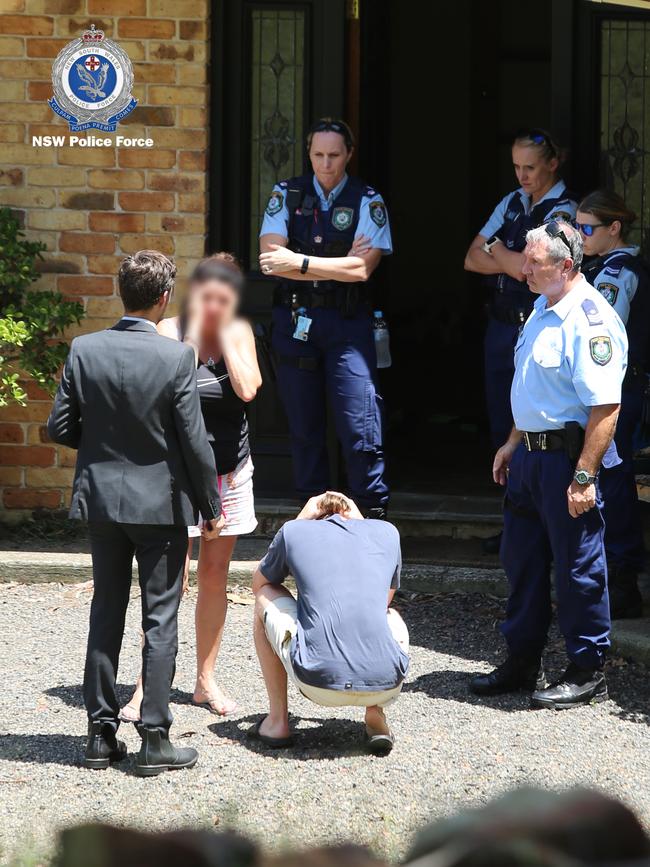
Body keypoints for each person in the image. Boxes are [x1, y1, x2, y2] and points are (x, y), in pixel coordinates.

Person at [47, 250, 225, 775]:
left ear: (119, 291)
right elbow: (194, 444)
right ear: (165, 298)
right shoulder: (177, 358)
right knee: (160, 616)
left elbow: (59, 428)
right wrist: (210, 505)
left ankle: (100, 735)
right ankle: (153, 738)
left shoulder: (84, 349)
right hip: (160, 502)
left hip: (102, 500)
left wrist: (100, 449)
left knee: (106, 610)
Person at [469, 221, 628, 709]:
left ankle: (586, 670)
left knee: (578, 568)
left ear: (566, 266)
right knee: (522, 562)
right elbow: (534, 388)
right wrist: (513, 441)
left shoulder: (591, 319)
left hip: (566, 461)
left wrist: (584, 477)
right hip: (529, 459)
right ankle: (522, 660)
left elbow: (605, 408)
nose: (523, 268)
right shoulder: (542, 306)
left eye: (534, 262)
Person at [120, 254, 262, 722]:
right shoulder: (167, 333)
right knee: (168, 580)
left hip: (228, 472)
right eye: (208, 293)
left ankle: (205, 681)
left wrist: (221, 334)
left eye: (226, 296)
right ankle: (147, 685)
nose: (216, 302)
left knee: (215, 578)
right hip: (177, 476)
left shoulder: (238, 332)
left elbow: (247, 390)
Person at [259, 118, 392, 519]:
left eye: (334, 155)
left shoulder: (368, 199)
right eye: (318, 154)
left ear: (349, 154)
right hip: (297, 321)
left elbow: (362, 271)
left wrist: (298, 260)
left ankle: (370, 511)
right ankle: (311, 514)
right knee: (303, 424)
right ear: (309, 153)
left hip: (347, 323)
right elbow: (269, 261)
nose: (326, 164)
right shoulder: (287, 193)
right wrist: (339, 262)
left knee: (359, 423)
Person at [464, 130, 577, 554]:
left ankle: (547, 527)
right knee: (502, 426)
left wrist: (503, 254)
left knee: (539, 426)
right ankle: (515, 523)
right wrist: (508, 259)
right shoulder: (512, 202)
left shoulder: (565, 210)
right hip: (500, 327)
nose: (522, 174)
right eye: (516, 166)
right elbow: (471, 257)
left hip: (539, 326)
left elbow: (525, 273)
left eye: (530, 166)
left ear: (552, 163)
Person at [251, 491, 409, 755]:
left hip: (317, 681)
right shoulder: (388, 533)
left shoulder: (295, 531)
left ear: (315, 518)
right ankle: (376, 716)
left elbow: (259, 584)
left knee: (265, 597)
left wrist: (301, 519)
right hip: (387, 683)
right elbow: (382, 600)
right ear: (353, 514)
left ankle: (277, 722)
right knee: (388, 615)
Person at [578, 190, 649, 619]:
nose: (581, 235)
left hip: (618, 391)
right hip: (610, 389)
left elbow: (599, 333)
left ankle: (624, 582)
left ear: (614, 229)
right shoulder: (600, 267)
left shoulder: (618, 273)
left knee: (614, 480)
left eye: (588, 228)